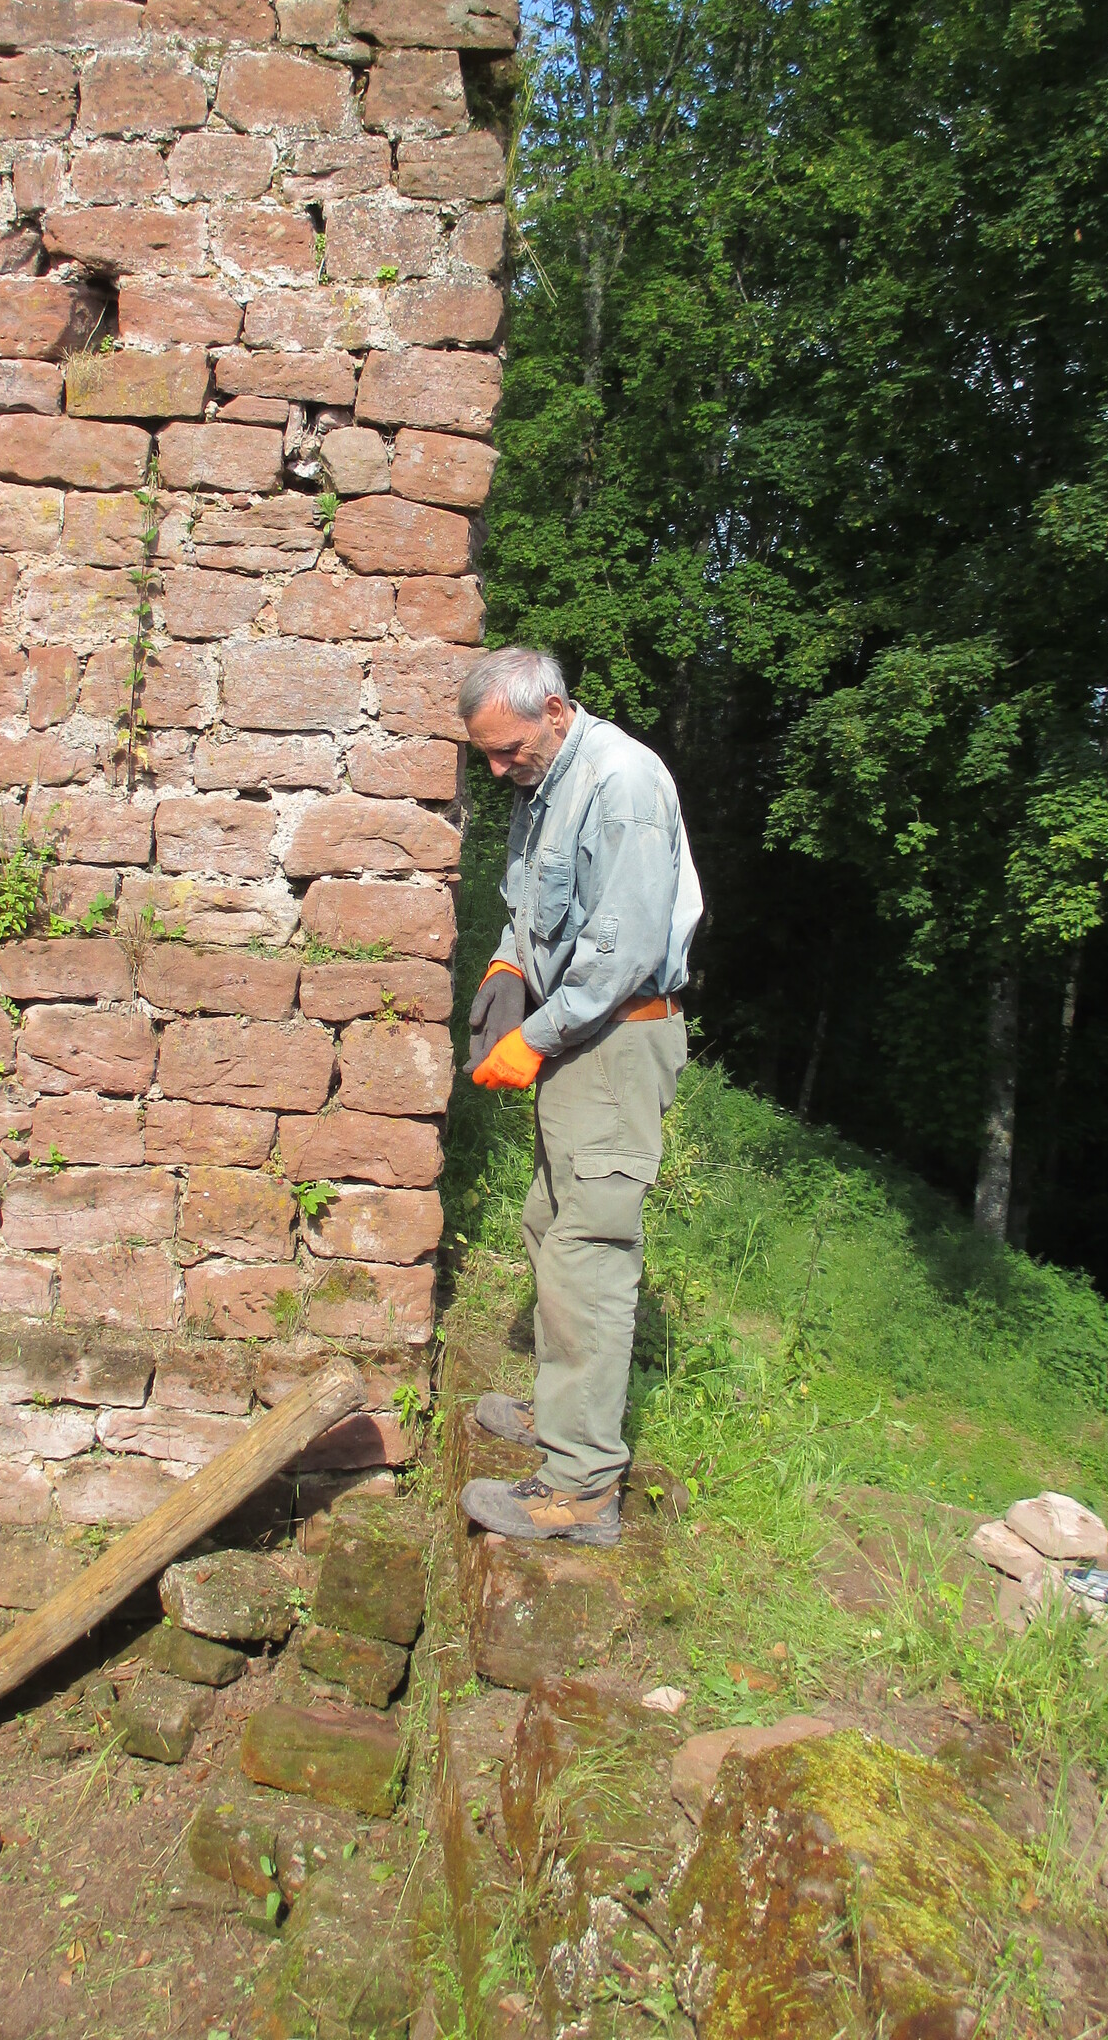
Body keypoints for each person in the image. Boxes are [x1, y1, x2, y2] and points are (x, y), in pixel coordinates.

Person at [456, 647, 702, 1548]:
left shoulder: (621, 784)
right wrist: (507, 963)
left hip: (615, 1039)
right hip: (580, 1038)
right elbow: (536, 906)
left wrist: (536, 1036)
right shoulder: (550, 782)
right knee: (549, 1224)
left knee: (589, 1254)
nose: (497, 769)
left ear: (554, 710)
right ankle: (563, 1413)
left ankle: (582, 1487)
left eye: (506, 749)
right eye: (485, 754)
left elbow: (622, 950)